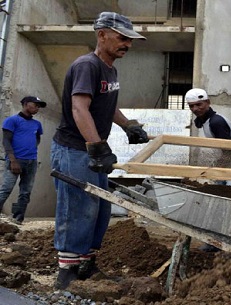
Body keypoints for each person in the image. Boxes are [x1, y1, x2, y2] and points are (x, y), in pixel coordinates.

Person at [50, 12, 149, 290]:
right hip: (73, 150)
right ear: (101, 34)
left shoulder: (110, 69)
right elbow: (79, 108)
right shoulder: (87, 65)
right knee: (78, 209)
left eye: (130, 40)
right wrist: (97, 147)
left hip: (89, 150)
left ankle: (87, 266)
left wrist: (127, 124)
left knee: (99, 209)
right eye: (122, 38)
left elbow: (106, 105)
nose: (127, 44)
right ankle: (66, 275)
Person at [186, 88, 231, 252]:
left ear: (208, 103)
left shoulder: (216, 122)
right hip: (226, 165)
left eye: (199, 105)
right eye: (191, 106)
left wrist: (215, 168)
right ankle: (217, 243)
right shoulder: (206, 120)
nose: (195, 109)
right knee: (218, 204)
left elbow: (229, 150)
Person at [0, 96, 46, 225]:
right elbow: (6, 141)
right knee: (6, 189)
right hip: (15, 160)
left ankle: (18, 219)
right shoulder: (12, 120)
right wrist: (13, 160)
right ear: (26, 104)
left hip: (31, 161)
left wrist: (30, 150)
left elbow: (37, 139)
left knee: (26, 192)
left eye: (39, 106)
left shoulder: (37, 124)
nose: (37, 108)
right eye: (35, 105)